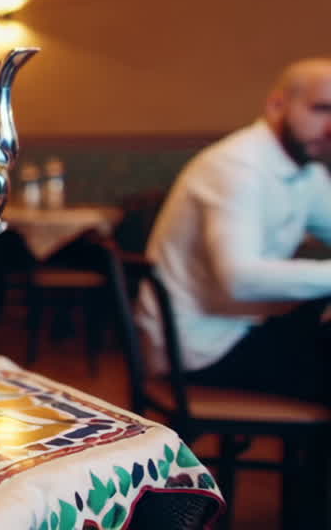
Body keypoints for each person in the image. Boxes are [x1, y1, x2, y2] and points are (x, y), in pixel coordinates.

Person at [136, 58, 331, 404]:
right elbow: (240, 278)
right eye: (321, 109)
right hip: (200, 347)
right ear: (277, 105)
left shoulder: (306, 171)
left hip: (249, 326)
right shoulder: (236, 167)